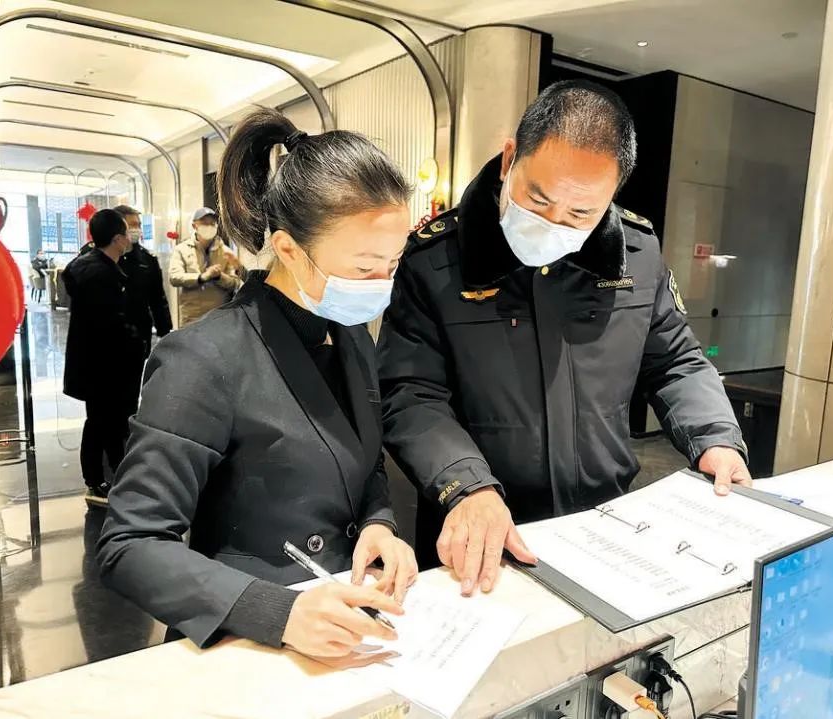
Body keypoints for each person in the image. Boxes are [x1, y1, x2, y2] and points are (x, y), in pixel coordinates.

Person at [378, 80, 751, 593]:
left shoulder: (636, 254)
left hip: (607, 524)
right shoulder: (435, 261)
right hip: (480, 530)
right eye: (537, 198)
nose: (554, 223)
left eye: (581, 213)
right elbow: (410, 393)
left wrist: (715, 440)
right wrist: (467, 486)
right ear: (510, 158)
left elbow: (676, 362)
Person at [98, 107, 418, 656]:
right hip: (245, 634)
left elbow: (362, 466)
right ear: (289, 249)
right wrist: (280, 613)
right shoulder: (204, 357)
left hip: (346, 624)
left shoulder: (352, 338)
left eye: (394, 262)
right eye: (366, 267)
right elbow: (130, 544)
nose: (383, 284)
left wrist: (379, 524)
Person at [63, 209, 145, 506]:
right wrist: (135, 340)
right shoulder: (102, 275)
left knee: (105, 421)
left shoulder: (89, 267)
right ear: (116, 239)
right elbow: (109, 325)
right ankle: (95, 481)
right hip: (103, 366)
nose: (130, 238)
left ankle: (109, 476)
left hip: (98, 365)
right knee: (100, 422)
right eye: (126, 232)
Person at [113, 205, 173, 357]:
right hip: (109, 334)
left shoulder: (147, 260)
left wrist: (164, 332)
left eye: (139, 225)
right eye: (133, 225)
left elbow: (158, 300)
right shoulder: (105, 257)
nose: (138, 229)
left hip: (139, 334)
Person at [168, 207, 243, 326]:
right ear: (194, 226)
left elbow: (235, 283)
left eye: (212, 223)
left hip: (218, 317)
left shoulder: (225, 252)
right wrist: (201, 277)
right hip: (192, 317)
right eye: (204, 223)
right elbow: (174, 277)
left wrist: (219, 277)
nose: (209, 227)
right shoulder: (181, 250)